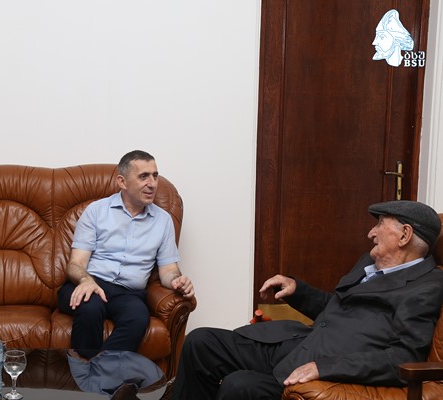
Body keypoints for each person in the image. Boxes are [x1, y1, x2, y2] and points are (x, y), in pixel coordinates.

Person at [173, 200, 443, 400]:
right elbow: (339, 309)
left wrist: (324, 367)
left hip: (325, 367)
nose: (371, 233)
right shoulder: (369, 261)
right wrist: (298, 291)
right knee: (200, 343)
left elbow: (402, 357)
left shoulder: (426, 287)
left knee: (238, 386)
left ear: (405, 235)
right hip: (297, 343)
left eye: (380, 225)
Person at [57, 150, 194, 359]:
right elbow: (76, 263)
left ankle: (98, 372)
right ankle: (84, 371)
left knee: (138, 317)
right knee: (90, 307)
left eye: (155, 176)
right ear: (122, 181)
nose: (152, 183)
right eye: (143, 176)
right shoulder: (96, 211)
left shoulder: (163, 221)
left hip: (128, 294)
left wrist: (177, 281)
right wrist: (86, 281)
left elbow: (168, 270)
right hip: (91, 283)